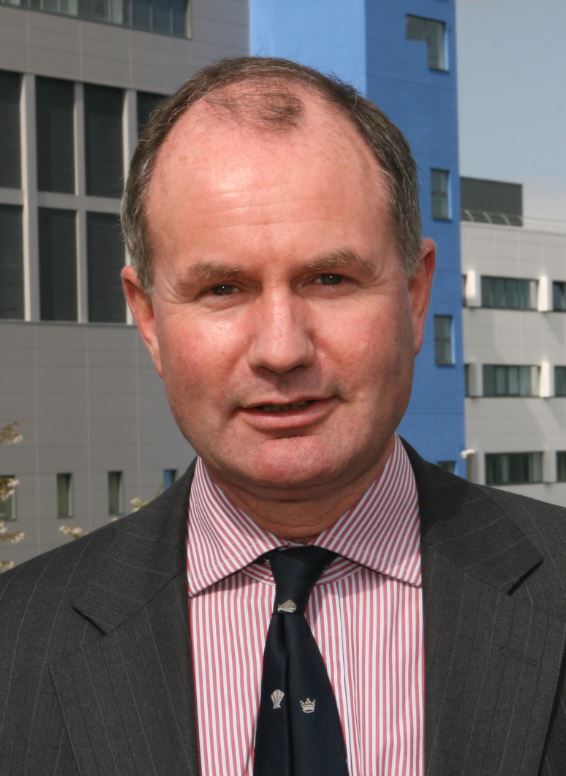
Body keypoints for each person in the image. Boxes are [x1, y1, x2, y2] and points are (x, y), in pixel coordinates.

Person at [1, 56, 565, 776]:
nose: (281, 349)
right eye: (222, 288)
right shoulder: (16, 640)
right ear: (148, 319)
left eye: (330, 279)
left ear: (415, 296)